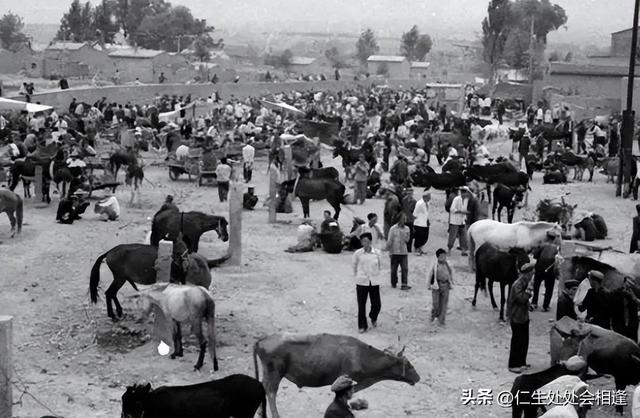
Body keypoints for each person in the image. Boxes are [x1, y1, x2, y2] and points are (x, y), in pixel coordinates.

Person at [507, 262, 535, 373]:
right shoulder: (517, 284)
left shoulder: (524, 282)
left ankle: (522, 362)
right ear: (526, 274)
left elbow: (525, 301)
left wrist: (529, 305)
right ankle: (513, 364)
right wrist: (529, 291)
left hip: (523, 316)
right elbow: (521, 298)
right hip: (516, 316)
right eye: (531, 273)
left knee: (524, 340)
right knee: (517, 341)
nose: (532, 276)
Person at [353, 232, 382, 333]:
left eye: (366, 241)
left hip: (374, 281)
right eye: (362, 241)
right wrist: (358, 276)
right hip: (362, 282)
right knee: (361, 305)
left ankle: (373, 316)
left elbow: (380, 265)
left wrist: (376, 275)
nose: (364, 243)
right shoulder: (358, 253)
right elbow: (354, 266)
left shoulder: (377, 253)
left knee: (377, 304)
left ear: (370, 241)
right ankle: (362, 326)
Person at [428, 248, 453, 326]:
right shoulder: (435, 265)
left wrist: (451, 283)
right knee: (436, 304)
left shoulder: (448, 264)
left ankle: (441, 320)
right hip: (436, 286)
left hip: (445, 285)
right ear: (437, 257)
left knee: (444, 304)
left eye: (444, 256)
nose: (443, 258)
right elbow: (430, 275)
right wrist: (429, 284)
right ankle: (434, 315)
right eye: (441, 256)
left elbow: (451, 273)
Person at [385, 212, 410, 290]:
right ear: (399, 219)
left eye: (405, 219)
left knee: (405, 268)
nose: (404, 220)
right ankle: (393, 283)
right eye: (403, 219)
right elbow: (390, 240)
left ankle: (404, 284)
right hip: (394, 251)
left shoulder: (407, 229)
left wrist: (405, 235)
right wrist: (389, 250)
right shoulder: (393, 228)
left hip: (403, 252)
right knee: (393, 269)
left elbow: (407, 240)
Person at [531, 244, 558, 312]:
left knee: (536, 286)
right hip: (550, 270)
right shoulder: (556, 247)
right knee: (549, 288)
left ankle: (534, 303)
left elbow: (535, 256)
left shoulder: (542, 245)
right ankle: (545, 306)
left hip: (539, 268)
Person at [447, 187, 470, 256]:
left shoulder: (466, 200)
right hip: (455, 220)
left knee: (463, 236)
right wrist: (461, 211)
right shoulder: (456, 199)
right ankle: (449, 250)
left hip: (462, 220)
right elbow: (452, 209)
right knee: (452, 236)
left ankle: (463, 250)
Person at [412, 191, 430, 255]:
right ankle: (417, 250)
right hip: (419, 223)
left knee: (424, 237)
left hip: (425, 223)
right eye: (428, 197)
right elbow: (414, 213)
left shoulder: (427, 203)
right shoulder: (419, 203)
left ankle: (420, 249)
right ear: (424, 197)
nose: (429, 199)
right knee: (419, 237)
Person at [401, 187, 416, 252]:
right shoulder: (404, 200)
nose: (409, 194)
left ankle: (409, 249)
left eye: (410, 193)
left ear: (412, 193)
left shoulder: (414, 201)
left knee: (410, 235)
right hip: (404, 220)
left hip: (410, 220)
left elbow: (415, 212)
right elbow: (402, 210)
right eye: (408, 193)